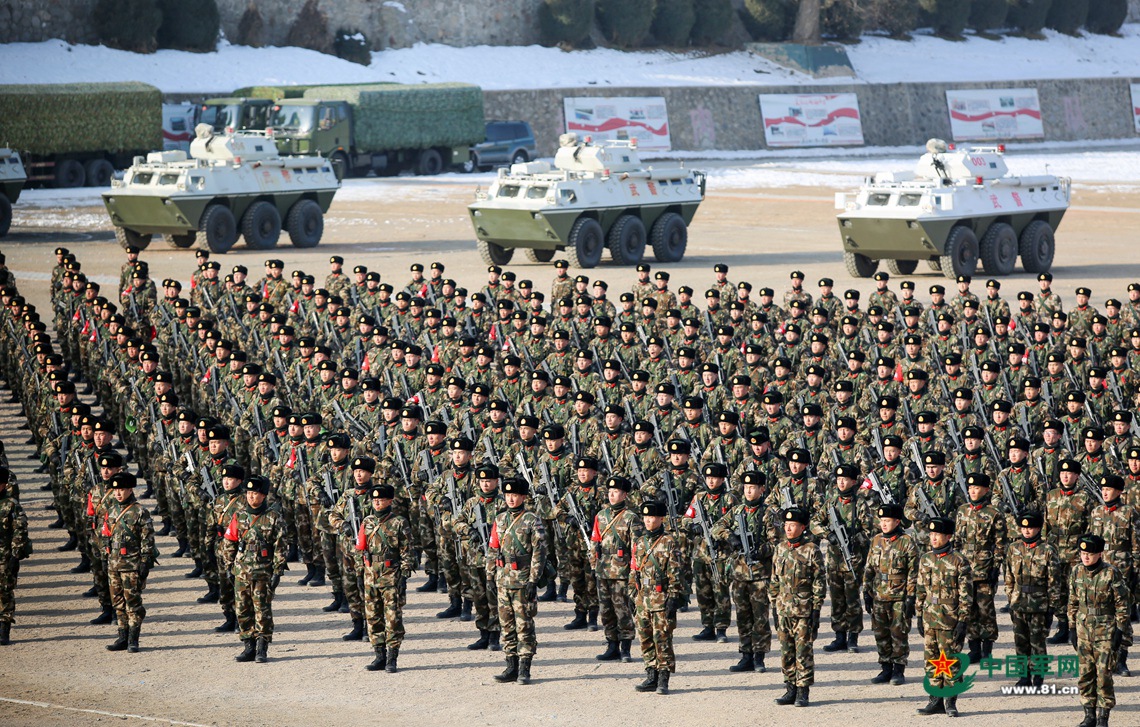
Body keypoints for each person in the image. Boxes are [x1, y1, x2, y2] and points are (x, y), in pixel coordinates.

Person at [488, 476, 546, 685]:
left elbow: (539, 552)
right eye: (508, 495)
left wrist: (533, 580)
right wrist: (490, 576)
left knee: (524, 624)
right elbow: (493, 548)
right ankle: (510, 665)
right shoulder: (500, 519)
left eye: (515, 495)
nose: (511, 499)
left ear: (523, 496)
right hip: (503, 579)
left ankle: (524, 668)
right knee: (507, 625)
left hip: (522, 579)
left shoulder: (532, 519)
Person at [225, 475, 287, 664]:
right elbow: (230, 542)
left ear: (264, 495)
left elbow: (281, 546)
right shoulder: (239, 516)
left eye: (256, 493)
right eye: (250, 493)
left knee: (262, 610)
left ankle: (262, 646)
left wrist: (277, 571)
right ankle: (248, 646)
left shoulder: (273, 517)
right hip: (241, 571)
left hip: (263, 572)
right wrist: (228, 566)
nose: (252, 497)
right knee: (242, 609)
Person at [1070, 533, 1130, 727]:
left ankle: (1103, 717)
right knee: (1085, 674)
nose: (1086, 556)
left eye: (1090, 553)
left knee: (1104, 674)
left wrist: (1120, 630)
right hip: (1083, 630)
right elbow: (1072, 601)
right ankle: (1089, 715)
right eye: (1083, 552)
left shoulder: (1111, 573)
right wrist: (1071, 627)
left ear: (1100, 554)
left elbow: (1122, 603)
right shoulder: (1076, 571)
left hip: (1105, 630)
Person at [914, 517, 971, 717]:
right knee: (932, 660)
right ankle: (935, 699)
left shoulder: (959, 561)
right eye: (931, 534)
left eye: (938, 535)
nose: (934, 538)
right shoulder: (926, 559)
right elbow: (921, 588)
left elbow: (966, 594)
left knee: (950, 660)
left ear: (948, 536)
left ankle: (950, 701)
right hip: (930, 617)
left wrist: (963, 621)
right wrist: (919, 613)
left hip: (950, 618)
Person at [356, 483, 414, 672]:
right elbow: (360, 548)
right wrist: (359, 571)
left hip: (391, 575)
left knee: (392, 617)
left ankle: (392, 657)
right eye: (374, 500)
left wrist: (404, 574)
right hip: (370, 574)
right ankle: (379, 655)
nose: (377, 503)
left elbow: (407, 550)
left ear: (390, 501)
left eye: (381, 499)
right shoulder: (367, 522)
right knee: (373, 617)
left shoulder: (399, 522)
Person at [771, 506, 825, 707]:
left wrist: (817, 609)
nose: (788, 529)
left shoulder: (812, 550)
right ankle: (790, 688)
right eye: (786, 525)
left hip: (803, 609)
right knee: (786, 651)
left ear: (803, 527)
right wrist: (773, 606)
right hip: (783, 609)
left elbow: (819, 581)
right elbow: (774, 580)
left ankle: (803, 691)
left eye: (793, 525)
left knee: (803, 651)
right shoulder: (780, 548)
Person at [1003, 511, 1061, 690]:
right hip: (1019, 602)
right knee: (1020, 641)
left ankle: (1038, 676)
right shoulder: (1014, 548)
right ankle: (1023, 676)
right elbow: (1009, 577)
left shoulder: (1048, 550)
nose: (1027, 531)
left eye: (1031, 527)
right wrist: (1010, 599)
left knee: (1038, 642)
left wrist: (1052, 606)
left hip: (1039, 603)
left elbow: (1054, 581)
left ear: (1038, 528)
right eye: (1024, 528)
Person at [863, 503, 919, 686]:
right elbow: (870, 567)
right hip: (879, 594)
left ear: (897, 521)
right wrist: (866, 591)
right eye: (882, 521)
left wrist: (910, 597)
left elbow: (913, 572)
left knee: (898, 633)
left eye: (887, 521)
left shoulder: (907, 542)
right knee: (881, 633)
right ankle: (885, 667)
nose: (884, 524)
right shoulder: (877, 540)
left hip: (898, 596)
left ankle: (898, 669)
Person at [631, 499, 683, 695]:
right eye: (645, 517)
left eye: (652, 517)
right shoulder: (639, 542)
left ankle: (663, 678)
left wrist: (673, 596)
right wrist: (631, 593)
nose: (648, 521)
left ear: (661, 519)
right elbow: (634, 570)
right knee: (645, 638)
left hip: (661, 600)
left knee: (662, 639)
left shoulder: (669, 542)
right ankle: (650, 674)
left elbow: (676, 572)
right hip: (643, 599)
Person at [590, 475, 640, 663]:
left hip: (621, 571)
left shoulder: (631, 518)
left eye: (616, 492)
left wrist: (634, 571)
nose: (612, 495)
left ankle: (626, 646)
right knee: (606, 609)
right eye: (609, 492)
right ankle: (612, 645)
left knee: (622, 609)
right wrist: (594, 564)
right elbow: (595, 540)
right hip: (603, 569)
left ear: (624, 494)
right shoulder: (601, 516)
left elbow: (636, 546)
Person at [0, 467, 30, 645]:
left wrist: (15, 555)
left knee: (4, 592)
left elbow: (20, 530)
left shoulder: (11, 505)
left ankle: (4, 627)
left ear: (3, 485)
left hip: (4, 555)